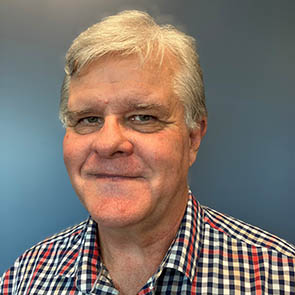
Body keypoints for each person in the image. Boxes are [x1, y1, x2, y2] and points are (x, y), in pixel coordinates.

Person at [1, 10, 294, 295]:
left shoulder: (278, 276)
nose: (107, 143)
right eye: (88, 119)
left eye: (143, 117)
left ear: (193, 137)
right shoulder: (25, 279)